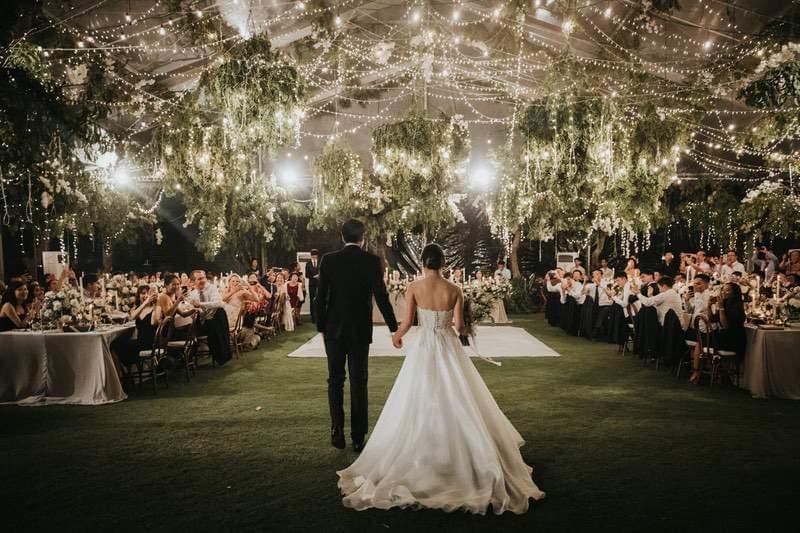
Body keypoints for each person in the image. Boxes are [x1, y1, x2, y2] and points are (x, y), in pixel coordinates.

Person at [337, 242, 545, 514]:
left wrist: (397, 336)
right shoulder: (454, 289)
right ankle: (463, 454)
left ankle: (424, 453)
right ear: (443, 263)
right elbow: (458, 327)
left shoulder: (414, 287)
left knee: (418, 398)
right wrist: (465, 324)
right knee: (458, 397)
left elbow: (408, 321)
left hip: (424, 347)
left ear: (423, 262)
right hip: (448, 347)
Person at [316, 219, 398, 452]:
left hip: (334, 329)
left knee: (335, 380)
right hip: (360, 330)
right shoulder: (372, 262)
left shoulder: (328, 260)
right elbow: (381, 296)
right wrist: (394, 327)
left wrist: (321, 327)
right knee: (358, 382)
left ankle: (336, 430)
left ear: (343, 237)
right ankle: (358, 436)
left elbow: (321, 297)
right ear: (363, 238)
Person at [186, 270, 232, 365]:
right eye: (199, 279)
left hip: (213, 320)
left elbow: (218, 303)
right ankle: (187, 356)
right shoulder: (192, 294)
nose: (203, 280)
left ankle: (222, 354)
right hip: (200, 322)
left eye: (203, 278)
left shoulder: (211, 288)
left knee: (219, 312)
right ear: (194, 281)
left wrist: (200, 304)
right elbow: (189, 307)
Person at [305, 249, 321, 323]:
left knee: (319, 300)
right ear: (311, 256)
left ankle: (319, 317)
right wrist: (314, 276)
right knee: (312, 300)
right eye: (313, 255)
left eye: (315, 255)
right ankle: (313, 318)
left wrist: (319, 276)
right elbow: (306, 275)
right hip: (312, 284)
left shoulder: (320, 263)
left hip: (319, 284)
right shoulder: (308, 264)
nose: (314, 257)